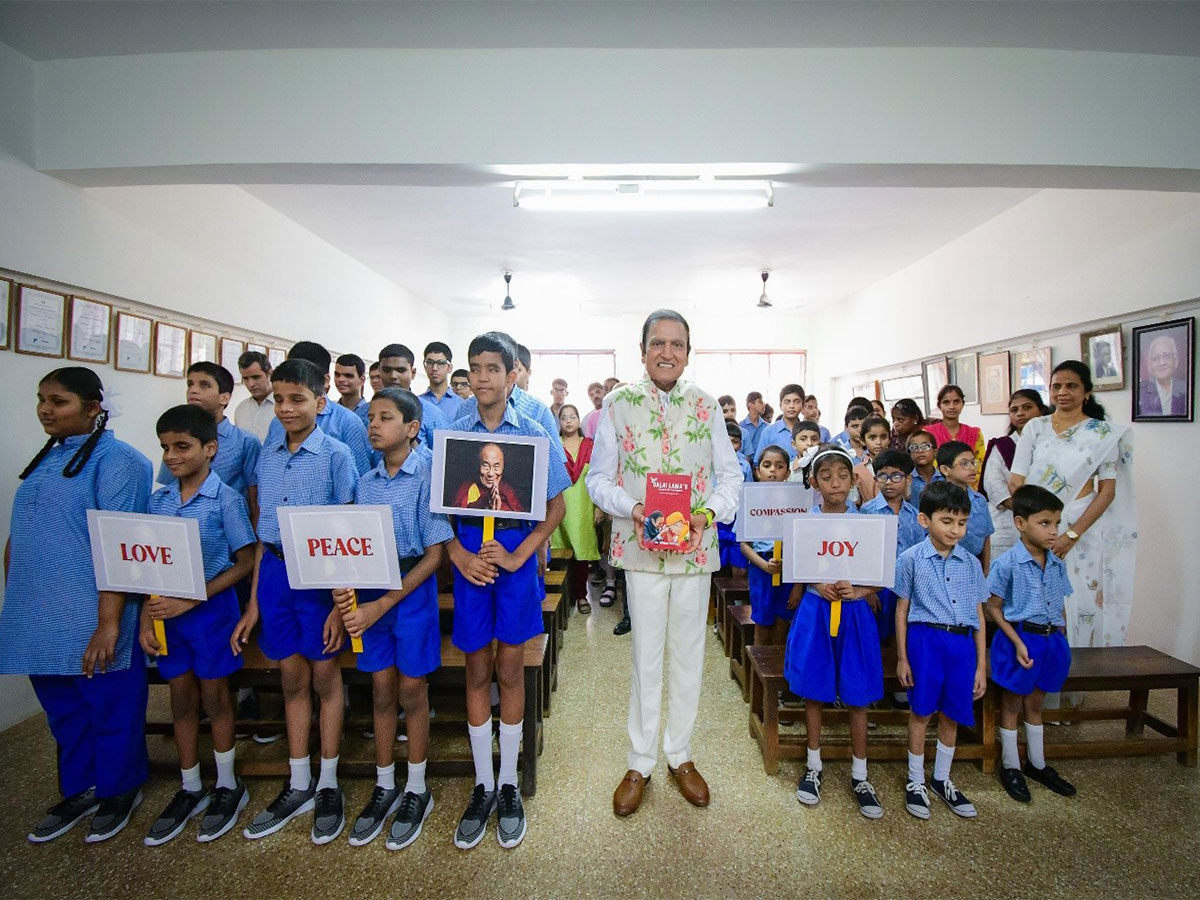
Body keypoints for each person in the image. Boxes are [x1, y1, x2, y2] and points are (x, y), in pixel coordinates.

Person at [587, 309, 742, 818]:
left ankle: (680, 753)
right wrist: (632, 508)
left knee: (689, 656)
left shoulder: (706, 405)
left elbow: (730, 479)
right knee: (645, 656)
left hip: (694, 550)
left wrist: (705, 514)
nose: (667, 352)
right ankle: (640, 761)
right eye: (658, 343)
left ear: (689, 353)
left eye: (677, 344)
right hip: (641, 550)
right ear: (642, 350)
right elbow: (597, 480)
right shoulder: (617, 405)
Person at [0, 367, 153, 844]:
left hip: (92, 605)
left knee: (109, 701)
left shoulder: (120, 461)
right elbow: (21, 531)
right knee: (63, 707)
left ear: (93, 408)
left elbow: (120, 546)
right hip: (38, 607)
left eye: (58, 401)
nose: (46, 410)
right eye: (41, 399)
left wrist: (109, 622)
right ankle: (81, 786)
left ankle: (119, 788)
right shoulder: (50, 457)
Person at [447, 333, 567, 850]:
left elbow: (556, 507)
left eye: (492, 369)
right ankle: (482, 783)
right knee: (477, 667)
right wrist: (458, 555)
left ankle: (510, 782)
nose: (481, 378)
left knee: (511, 668)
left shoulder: (534, 431)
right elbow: (437, 509)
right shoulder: (454, 431)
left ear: (512, 375)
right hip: (470, 558)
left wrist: (521, 556)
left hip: (514, 558)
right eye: (474, 368)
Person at [239, 358, 358, 844]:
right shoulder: (268, 455)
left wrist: (339, 604)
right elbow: (262, 536)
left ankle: (327, 781)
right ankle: (299, 779)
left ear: (320, 402)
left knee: (325, 677)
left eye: (298, 399)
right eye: (280, 400)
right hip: (275, 573)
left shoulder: (336, 455)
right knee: (290, 677)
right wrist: (254, 602)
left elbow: (349, 532)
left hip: (321, 576)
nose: (286, 408)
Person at [331, 388, 452, 849]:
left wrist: (382, 604)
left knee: (411, 690)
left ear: (412, 427)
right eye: (371, 418)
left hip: (411, 592)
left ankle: (417, 788)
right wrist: (345, 591)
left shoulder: (427, 477)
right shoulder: (366, 482)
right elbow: (354, 544)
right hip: (370, 589)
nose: (374, 425)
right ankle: (385, 784)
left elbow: (435, 555)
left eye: (385, 418)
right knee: (381, 689)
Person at [140, 405, 256, 845]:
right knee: (180, 698)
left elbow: (244, 562)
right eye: (166, 447)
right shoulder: (159, 502)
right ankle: (190, 785)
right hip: (167, 614)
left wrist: (194, 597)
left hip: (210, 611)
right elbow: (146, 564)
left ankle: (227, 783)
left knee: (215, 697)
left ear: (210, 449)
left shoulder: (225, 499)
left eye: (182, 447)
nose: (172, 456)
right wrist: (146, 619)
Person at [785, 446, 884, 819]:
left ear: (853, 479)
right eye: (826, 477)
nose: (835, 484)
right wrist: (815, 581)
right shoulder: (805, 522)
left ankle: (860, 774)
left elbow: (880, 575)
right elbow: (796, 567)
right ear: (814, 482)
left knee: (858, 693)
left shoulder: (867, 524)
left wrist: (860, 590)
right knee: (814, 689)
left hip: (854, 613)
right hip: (816, 611)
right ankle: (813, 766)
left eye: (842, 476)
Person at [1009, 360, 1136, 649]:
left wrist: (1072, 534)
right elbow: (1016, 481)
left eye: (1071, 386)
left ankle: (1081, 667)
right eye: (1056, 386)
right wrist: (1036, 523)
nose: (1062, 392)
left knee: (1083, 600)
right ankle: (1041, 663)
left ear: (1086, 392)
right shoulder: (1036, 427)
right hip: (1036, 526)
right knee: (1038, 598)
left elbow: (1107, 492)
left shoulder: (1103, 434)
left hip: (1082, 527)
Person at [894, 481, 989, 820]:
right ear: (924, 520)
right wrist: (903, 658)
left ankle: (941, 778)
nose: (955, 530)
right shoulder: (910, 559)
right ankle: (915, 779)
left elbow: (979, 615)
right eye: (947, 521)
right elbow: (901, 610)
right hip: (925, 641)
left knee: (952, 713)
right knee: (921, 711)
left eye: (961, 523)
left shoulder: (971, 563)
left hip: (961, 644)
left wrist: (981, 666)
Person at [987, 484, 1079, 803]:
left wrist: (1062, 636)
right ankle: (1011, 765)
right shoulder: (1007, 564)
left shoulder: (1056, 563)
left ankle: (1037, 764)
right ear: (1020, 523)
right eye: (1044, 523)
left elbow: (1060, 602)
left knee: (1036, 703)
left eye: (1056, 523)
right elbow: (993, 607)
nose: (1053, 531)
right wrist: (1016, 641)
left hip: (1050, 640)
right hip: (1020, 638)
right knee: (1012, 702)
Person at [157, 362, 260, 513]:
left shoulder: (246, 441)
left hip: (227, 519)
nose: (193, 390)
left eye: (204, 385)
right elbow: (169, 487)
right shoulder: (177, 437)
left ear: (224, 398)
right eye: (190, 385)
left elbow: (254, 495)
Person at [263, 341, 374, 476]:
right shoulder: (277, 423)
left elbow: (362, 476)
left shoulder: (348, 422)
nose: (286, 408)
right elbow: (265, 470)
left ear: (325, 380)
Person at [860, 450, 925, 647]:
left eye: (896, 476)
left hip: (907, 588)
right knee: (876, 639)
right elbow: (861, 554)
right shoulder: (866, 512)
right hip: (876, 588)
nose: (889, 482)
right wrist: (867, 591)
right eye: (883, 476)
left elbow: (919, 555)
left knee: (902, 638)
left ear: (908, 479)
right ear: (875, 479)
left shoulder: (915, 515)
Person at [980, 390, 1050, 557]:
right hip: (1007, 519)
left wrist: (1042, 515)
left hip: (1048, 517)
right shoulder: (1003, 446)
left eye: (1027, 407)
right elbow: (993, 483)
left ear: (1041, 410)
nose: (1020, 413)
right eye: (1014, 410)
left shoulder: (1053, 444)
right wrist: (1026, 512)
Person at [740, 446, 796, 647]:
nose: (773, 470)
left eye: (779, 466)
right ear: (757, 471)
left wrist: (798, 585)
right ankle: (757, 664)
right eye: (767, 465)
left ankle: (776, 665)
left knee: (783, 622)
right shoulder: (750, 501)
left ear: (787, 472)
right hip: (761, 566)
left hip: (788, 566)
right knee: (762, 622)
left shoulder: (795, 501)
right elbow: (744, 545)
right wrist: (764, 565)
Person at [553, 404, 602, 614]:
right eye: (564, 417)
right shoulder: (554, 444)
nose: (568, 421)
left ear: (579, 420)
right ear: (559, 422)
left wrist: (599, 507)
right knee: (559, 553)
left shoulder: (589, 445)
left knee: (581, 552)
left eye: (573, 416)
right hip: (559, 506)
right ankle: (562, 599)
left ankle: (581, 596)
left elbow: (599, 477)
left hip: (583, 505)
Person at [378, 343, 450, 453]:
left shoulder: (432, 415)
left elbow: (442, 458)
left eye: (400, 370)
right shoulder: (365, 414)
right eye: (387, 370)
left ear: (413, 373)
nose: (393, 376)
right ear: (379, 371)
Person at [936, 441, 993, 572]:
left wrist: (986, 571)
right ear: (945, 470)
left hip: (975, 565)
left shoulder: (980, 500)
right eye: (964, 464)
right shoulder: (937, 500)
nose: (972, 468)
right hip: (946, 565)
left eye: (973, 462)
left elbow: (986, 537)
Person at [925, 385, 985, 486]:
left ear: (962, 404)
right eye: (946, 402)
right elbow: (925, 465)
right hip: (937, 488)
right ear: (939, 405)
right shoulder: (928, 434)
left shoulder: (975, 434)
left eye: (956, 401)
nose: (952, 407)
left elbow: (980, 465)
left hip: (968, 488)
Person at [453, 443, 525, 512]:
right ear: (478, 466)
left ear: (503, 468)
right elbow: (457, 516)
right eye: (486, 466)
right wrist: (485, 503)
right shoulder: (467, 488)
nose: (491, 473)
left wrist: (499, 511)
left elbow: (519, 517)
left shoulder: (507, 491)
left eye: (496, 467)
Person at [1137, 333, 1188, 416]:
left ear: (1175, 361)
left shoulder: (1185, 388)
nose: (1162, 363)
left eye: (1166, 356)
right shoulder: (1140, 391)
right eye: (1156, 358)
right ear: (1150, 365)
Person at [234, 350, 275, 442]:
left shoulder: (283, 408)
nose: (251, 384)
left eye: (256, 377)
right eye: (246, 378)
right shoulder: (241, 409)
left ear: (269, 374)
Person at [851, 414, 891, 505]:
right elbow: (855, 503)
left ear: (889, 438)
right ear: (863, 441)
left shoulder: (898, 467)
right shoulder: (857, 471)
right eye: (872, 438)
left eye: (883, 437)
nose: (879, 442)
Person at [759, 384, 806, 460]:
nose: (792, 406)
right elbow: (759, 461)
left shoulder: (808, 431)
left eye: (796, 402)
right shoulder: (769, 432)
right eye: (787, 402)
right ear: (781, 405)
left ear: (803, 406)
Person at [420, 341, 463, 421]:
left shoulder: (461, 405)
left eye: (440, 363)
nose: (434, 368)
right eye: (429, 362)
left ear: (449, 368)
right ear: (425, 367)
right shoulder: (417, 402)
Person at [906, 428, 943, 507]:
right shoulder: (907, 481)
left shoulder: (945, 478)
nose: (920, 451)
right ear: (910, 454)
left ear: (935, 452)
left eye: (925, 446)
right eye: (915, 447)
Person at [333, 353, 368, 425]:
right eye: (337, 375)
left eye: (348, 376)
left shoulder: (371, 412)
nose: (340, 379)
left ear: (362, 380)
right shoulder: (330, 410)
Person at [739, 391, 770, 462]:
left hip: (762, 464)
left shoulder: (767, 427)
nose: (764, 405)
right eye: (760, 402)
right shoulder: (740, 427)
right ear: (751, 404)